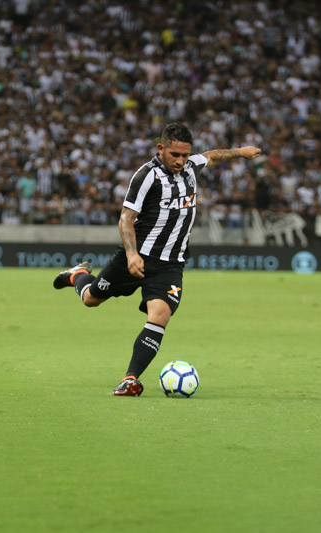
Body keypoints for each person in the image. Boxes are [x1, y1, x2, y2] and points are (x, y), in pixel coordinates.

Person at [53, 123, 261, 396]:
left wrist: (240, 152)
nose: (180, 161)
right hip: (137, 258)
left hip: (170, 264)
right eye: (175, 154)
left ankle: (130, 379)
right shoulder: (146, 176)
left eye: (185, 155)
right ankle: (77, 274)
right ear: (161, 148)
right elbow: (126, 219)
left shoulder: (190, 168)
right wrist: (131, 254)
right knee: (91, 298)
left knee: (160, 315)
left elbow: (212, 156)